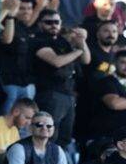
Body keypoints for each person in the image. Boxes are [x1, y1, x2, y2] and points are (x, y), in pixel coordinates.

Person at [31, 9, 90, 149]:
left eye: (56, 22)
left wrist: (82, 41)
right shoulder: (38, 40)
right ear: (40, 24)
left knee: (64, 138)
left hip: (68, 94)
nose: (53, 25)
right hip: (50, 92)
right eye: (48, 22)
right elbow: (56, 61)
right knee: (48, 135)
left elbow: (86, 60)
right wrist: (79, 50)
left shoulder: (63, 41)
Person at [6, 111, 70, 164]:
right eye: (39, 125)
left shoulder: (57, 150)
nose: (44, 128)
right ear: (30, 128)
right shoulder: (18, 148)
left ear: (53, 129)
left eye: (49, 126)